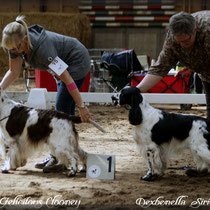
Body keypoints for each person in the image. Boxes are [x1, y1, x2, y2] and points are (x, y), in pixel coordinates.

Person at [1, 16, 92, 172]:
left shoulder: (43, 49)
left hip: (77, 61)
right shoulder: (15, 45)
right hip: (61, 69)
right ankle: (71, 157)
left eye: (15, 48)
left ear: (24, 40)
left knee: (61, 109)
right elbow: (14, 71)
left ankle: (61, 159)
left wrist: (82, 106)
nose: (13, 52)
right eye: (10, 50)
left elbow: (67, 78)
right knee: (62, 115)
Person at [136, 11, 210, 177]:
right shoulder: (172, 37)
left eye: (186, 41)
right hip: (207, 74)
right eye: (179, 41)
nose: (182, 45)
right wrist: (137, 89)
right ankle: (205, 167)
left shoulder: (208, 31)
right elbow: (160, 67)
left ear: (195, 31)